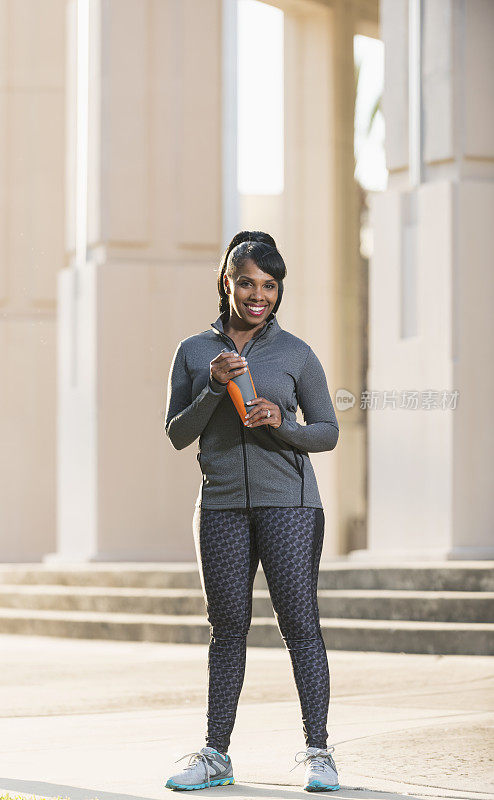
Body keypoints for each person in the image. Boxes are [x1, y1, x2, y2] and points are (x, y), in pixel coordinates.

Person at [163, 231, 340, 793]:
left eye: (269, 285)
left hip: (290, 505)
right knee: (227, 632)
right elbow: (176, 433)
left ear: (278, 289)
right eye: (247, 282)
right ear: (227, 282)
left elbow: (328, 432)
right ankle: (216, 754)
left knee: (301, 627)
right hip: (220, 508)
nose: (258, 295)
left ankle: (318, 751)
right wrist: (214, 387)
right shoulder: (195, 352)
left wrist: (280, 425)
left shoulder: (296, 353)